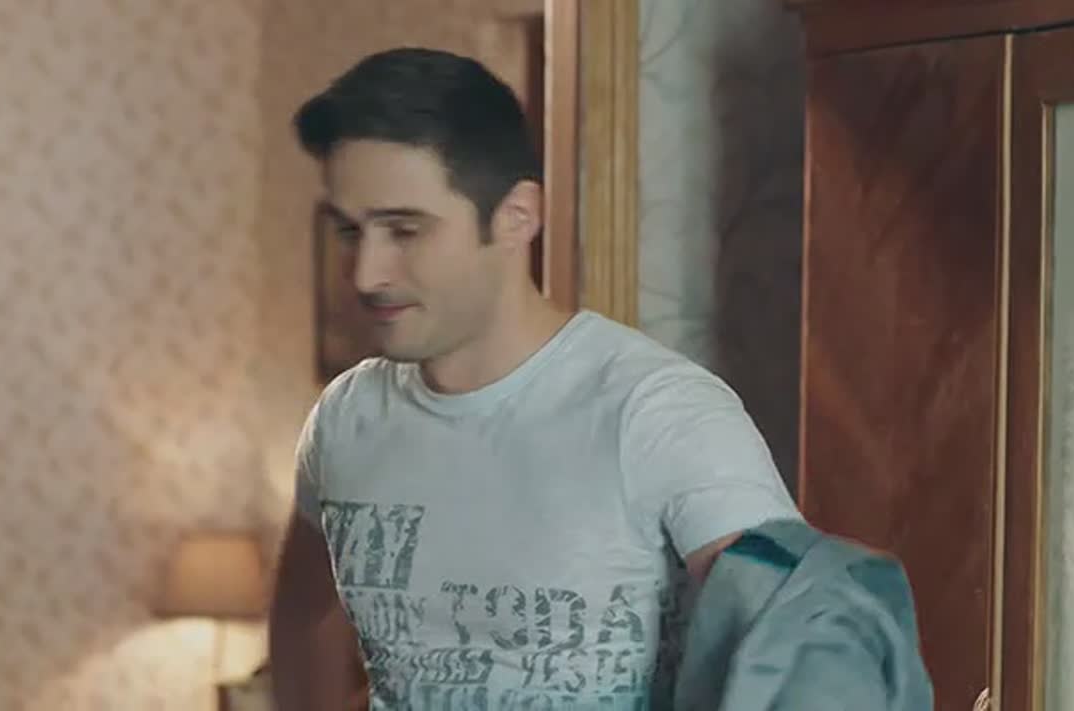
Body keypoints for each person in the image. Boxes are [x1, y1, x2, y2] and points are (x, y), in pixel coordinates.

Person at [269, 47, 800, 710]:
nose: (366, 274)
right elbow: (305, 617)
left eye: (404, 230)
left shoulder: (659, 412)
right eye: (351, 231)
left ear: (517, 216)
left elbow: (794, 655)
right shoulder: (346, 417)